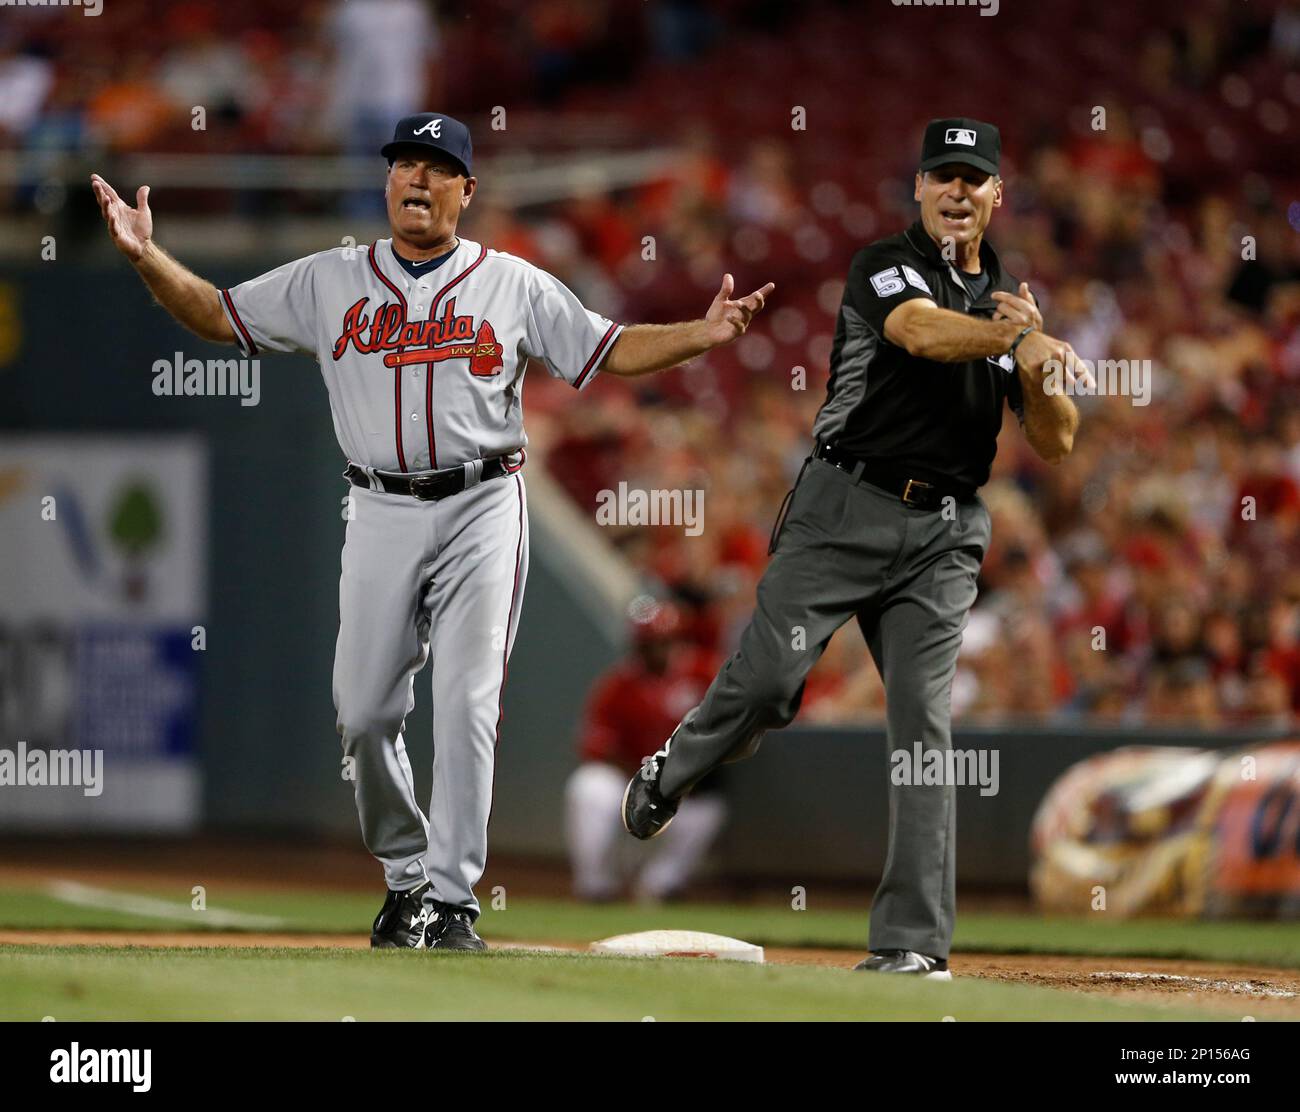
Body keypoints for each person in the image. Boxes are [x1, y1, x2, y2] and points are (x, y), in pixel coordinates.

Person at [91, 111, 772, 951]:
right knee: (364, 711)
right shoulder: (331, 280)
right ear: (387, 183)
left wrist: (702, 335)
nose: (415, 178)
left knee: (466, 701)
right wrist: (148, 257)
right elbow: (217, 316)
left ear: (466, 189)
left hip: (484, 500)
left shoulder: (512, 283)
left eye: (435, 166)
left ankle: (451, 900)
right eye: (403, 164)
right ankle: (408, 875)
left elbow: (608, 350)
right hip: (378, 505)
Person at [621, 117, 1091, 979]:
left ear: (997, 195)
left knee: (924, 728)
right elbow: (919, 332)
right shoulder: (886, 264)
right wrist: (1018, 339)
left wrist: (1036, 373)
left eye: (973, 177)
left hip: (943, 534)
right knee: (765, 685)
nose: (957, 190)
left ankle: (912, 945)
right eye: (942, 175)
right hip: (845, 505)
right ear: (918, 188)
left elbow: (1056, 442)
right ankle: (680, 762)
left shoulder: (1012, 302)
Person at [566, 598, 726, 902]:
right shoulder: (618, 684)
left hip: (687, 784)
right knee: (588, 786)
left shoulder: (704, 673)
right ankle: (596, 886)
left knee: (709, 809)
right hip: (631, 779)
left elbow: (723, 734)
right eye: (648, 644)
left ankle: (661, 886)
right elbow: (596, 745)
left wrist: (679, 778)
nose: (656, 650)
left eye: (663, 642)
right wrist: (645, 779)